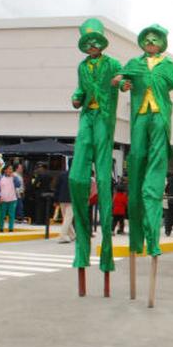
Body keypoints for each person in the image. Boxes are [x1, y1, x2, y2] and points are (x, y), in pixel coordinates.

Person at [113, 24, 173, 258]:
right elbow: (121, 78)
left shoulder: (168, 65)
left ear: (161, 43)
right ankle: (137, 237)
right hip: (140, 116)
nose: (151, 42)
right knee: (137, 156)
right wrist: (122, 83)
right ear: (142, 42)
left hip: (159, 114)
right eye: (147, 39)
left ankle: (152, 238)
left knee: (157, 160)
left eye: (155, 40)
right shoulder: (134, 63)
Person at [69, 18, 123, 275]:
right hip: (87, 119)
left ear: (102, 42)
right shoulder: (82, 66)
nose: (91, 45)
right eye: (87, 42)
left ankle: (106, 253)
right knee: (77, 179)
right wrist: (76, 97)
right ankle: (82, 248)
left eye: (95, 41)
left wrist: (122, 83)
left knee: (103, 180)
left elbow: (125, 81)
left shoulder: (112, 64)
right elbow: (80, 90)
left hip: (103, 119)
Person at [0, 164, 22, 232]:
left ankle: (11, 229)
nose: (10, 170)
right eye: (9, 169)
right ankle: (1, 229)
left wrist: (15, 177)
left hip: (12, 199)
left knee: (11, 215)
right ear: (5, 170)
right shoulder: (0, 178)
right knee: (2, 215)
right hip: (3, 200)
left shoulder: (14, 178)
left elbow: (18, 185)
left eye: (11, 169)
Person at [56, 167, 75, 243]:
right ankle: (62, 236)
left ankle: (72, 235)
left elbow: (57, 187)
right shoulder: (75, 175)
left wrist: (56, 198)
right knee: (68, 218)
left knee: (66, 218)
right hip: (71, 199)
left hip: (62, 199)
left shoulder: (62, 174)